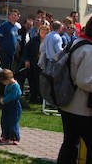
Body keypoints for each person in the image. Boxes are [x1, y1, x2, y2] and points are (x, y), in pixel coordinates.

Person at [57, 17, 92, 164]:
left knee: (70, 143)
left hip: (67, 103)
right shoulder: (89, 50)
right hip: (81, 108)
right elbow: (85, 81)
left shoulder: (76, 42)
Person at [22, 24, 50, 103]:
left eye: (45, 30)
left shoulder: (49, 41)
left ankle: (42, 98)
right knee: (33, 80)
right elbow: (26, 50)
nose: (43, 32)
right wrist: (26, 60)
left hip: (45, 63)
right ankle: (33, 97)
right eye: (42, 30)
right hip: (34, 62)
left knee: (42, 81)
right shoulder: (34, 40)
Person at [0, 68, 22, 145]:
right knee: (5, 121)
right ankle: (6, 136)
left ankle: (15, 137)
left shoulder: (15, 86)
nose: (3, 84)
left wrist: (4, 100)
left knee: (13, 122)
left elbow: (12, 96)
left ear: (8, 79)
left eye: (4, 82)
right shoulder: (8, 85)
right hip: (7, 106)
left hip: (14, 106)